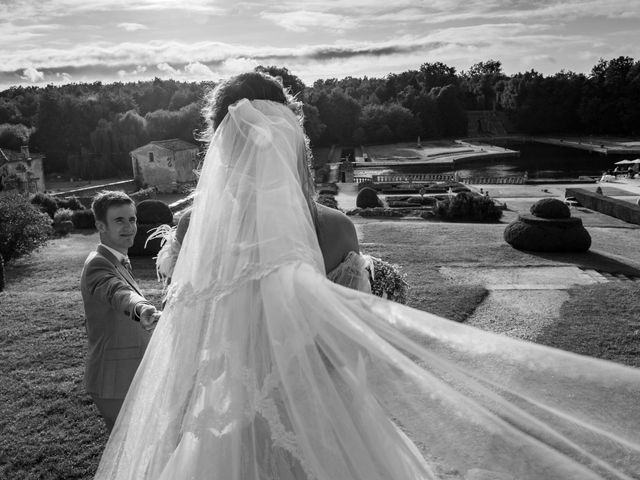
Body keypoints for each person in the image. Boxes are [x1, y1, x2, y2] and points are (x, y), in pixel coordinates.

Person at [95, 73, 640, 480]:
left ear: (219, 144)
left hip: (217, 424)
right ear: (288, 137)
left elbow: (183, 341)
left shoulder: (191, 228)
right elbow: (345, 350)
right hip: (323, 419)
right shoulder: (331, 228)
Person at [80, 191, 160, 432]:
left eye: (132, 219)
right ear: (100, 225)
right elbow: (116, 292)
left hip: (126, 374)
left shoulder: (117, 258)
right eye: (119, 220)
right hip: (114, 380)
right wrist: (141, 307)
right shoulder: (98, 264)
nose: (129, 227)